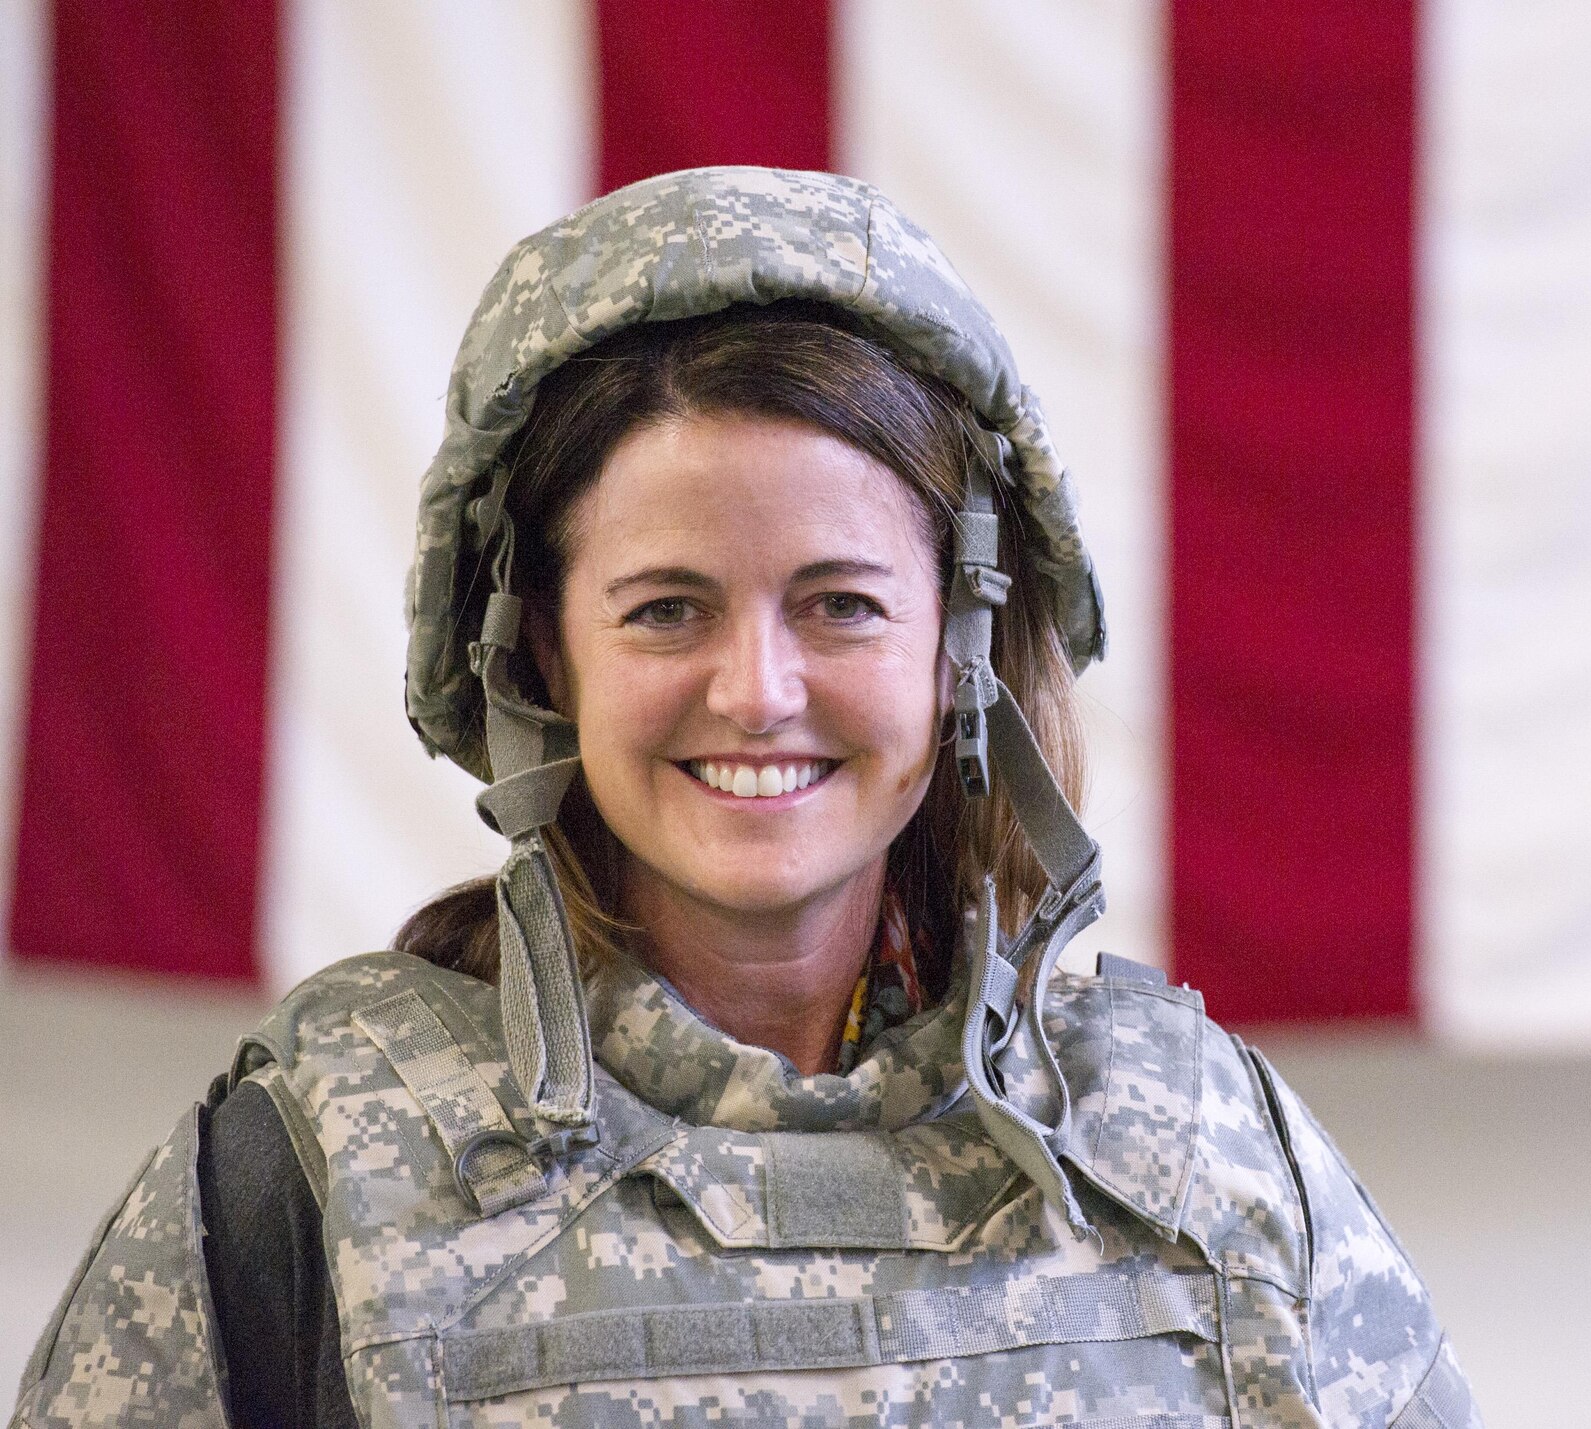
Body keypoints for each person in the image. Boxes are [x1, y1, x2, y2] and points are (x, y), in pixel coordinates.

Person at [12, 167, 1482, 1429]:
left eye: (840, 604)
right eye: (666, 609)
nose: (758, 690)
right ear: (542, 653)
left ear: (960, 646)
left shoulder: (1200, 1158)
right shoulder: (313, 1181)